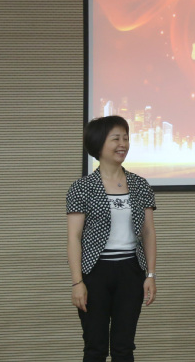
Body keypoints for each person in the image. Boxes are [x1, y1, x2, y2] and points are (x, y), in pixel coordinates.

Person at [67, 115, 158, 362]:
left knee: (124, 347)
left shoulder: (140, 185)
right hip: (94, 273)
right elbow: (74, 237)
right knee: (95, 347)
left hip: (131, 272)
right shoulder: (81, 188)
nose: (123, 144)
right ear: (98, 143)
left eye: (126, 138)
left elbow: (148, 232)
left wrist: (150, 275)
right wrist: (77, 282)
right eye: (116, 138)